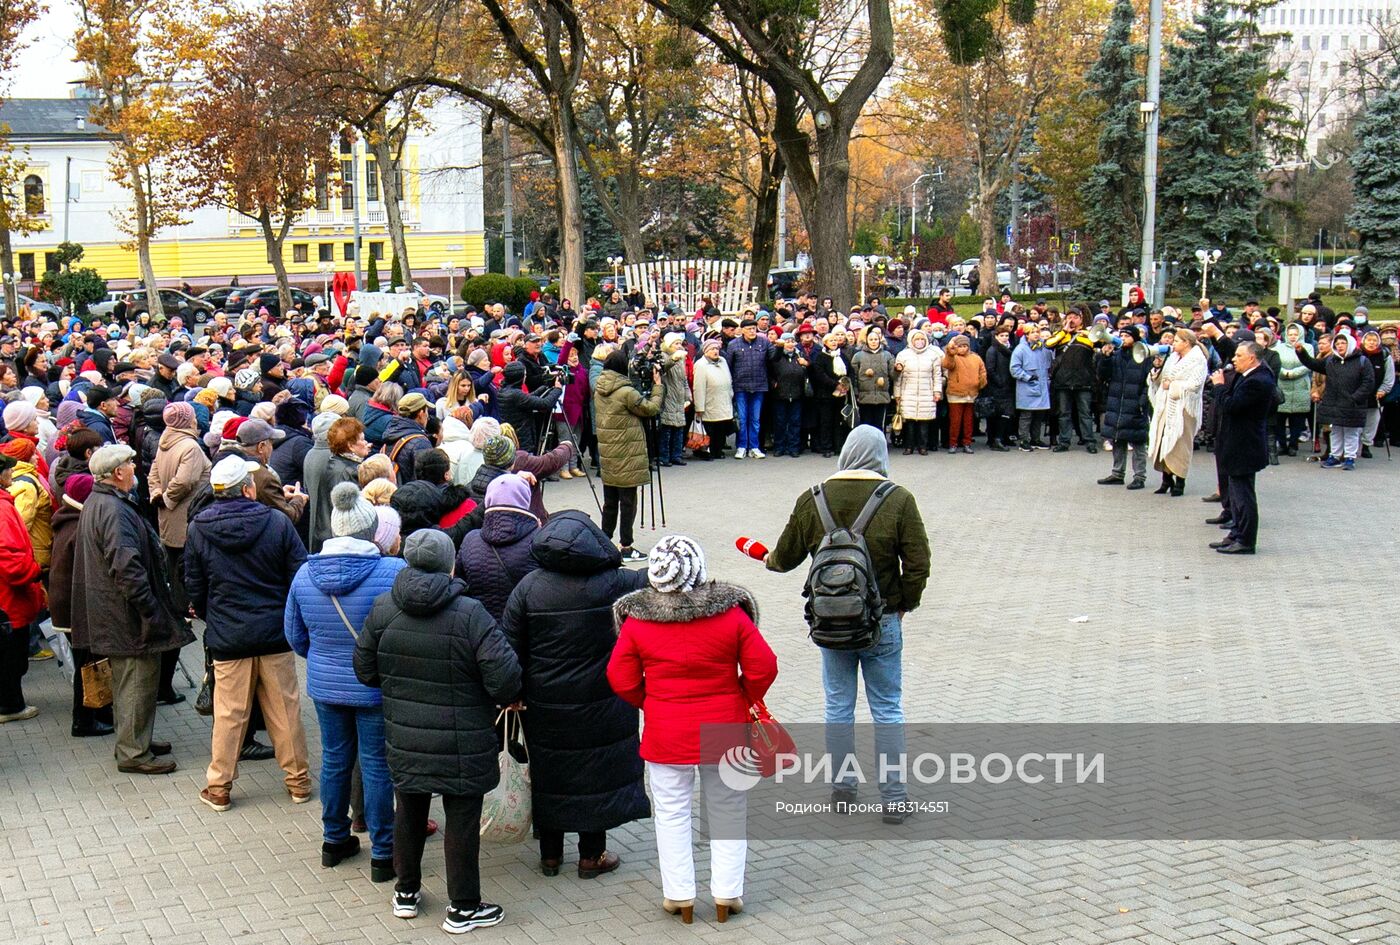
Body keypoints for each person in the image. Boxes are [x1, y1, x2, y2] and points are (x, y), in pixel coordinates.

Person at [354, 529, 521, 934]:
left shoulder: (383, 609)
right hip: (463, 742)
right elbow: (506, 681)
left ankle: (406, 892)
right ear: (450, 564)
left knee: (408, 812)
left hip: (405, 737)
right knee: (461, 820)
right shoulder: (470, 614)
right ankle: (463, 907)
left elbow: (364, 671)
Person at [609, 536, 777, 924]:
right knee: (728, 810)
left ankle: (680, 896)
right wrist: (741, 696)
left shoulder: (637, 623)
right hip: (725, 726)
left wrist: (648, 701)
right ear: (699, 570)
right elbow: (764, 666)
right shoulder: (731, 615)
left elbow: (619, 676)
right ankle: (727, 895)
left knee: (671, 812)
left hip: (666, 730)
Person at [765, 425, 930, 820]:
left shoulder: (813, 498)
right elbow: (919, 562)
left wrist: (764, 557)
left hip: (830, 621)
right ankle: (894, 798)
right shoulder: (899, 499)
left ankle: (843, 787)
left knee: (838, 705)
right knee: (887, 708)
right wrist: (905, 604)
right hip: (883, 618)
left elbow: (783, 559)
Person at [500, 510, 650, 878]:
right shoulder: (614, 582)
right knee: (593, 774)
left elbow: (509, 645)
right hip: (603, 701)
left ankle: (550, 856)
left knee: (549, 774)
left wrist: (512, 693)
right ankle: (591, 856)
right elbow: (653, 579)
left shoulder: (529, 587)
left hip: (545, 703)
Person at [285, 481, 406, 883]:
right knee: (375, 765)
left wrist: (323, 659)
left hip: (325, 684)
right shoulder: (393, 572)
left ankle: (333, 841)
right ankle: (383, 854)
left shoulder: (305, 574)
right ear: (371, 531)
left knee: (335, 760)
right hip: (375, 687)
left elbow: (295, 636)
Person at [184, 455, 310, 811]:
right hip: (273, 631)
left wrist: (215, 617)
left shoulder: (198, 528)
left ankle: (219, 787)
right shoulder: (277, 523)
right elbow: (298, 574)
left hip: (228, 635)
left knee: (228, 714)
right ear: (248, 488)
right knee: (285, 710)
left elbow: (195, 585)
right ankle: (299, 782)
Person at [72, 444, 191, 774]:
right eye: (130, 463)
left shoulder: (104, 502)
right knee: (136, 682)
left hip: (117, 611)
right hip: (126, 614)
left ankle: (134, 740)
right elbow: (127, 568)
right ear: (117, 473)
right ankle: (133, 753)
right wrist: (150, 610)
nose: (136, 467)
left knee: (133, 682)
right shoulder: (113, 510)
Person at [592, 350, 663, 561]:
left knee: (610, 502)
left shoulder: (599, 389)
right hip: (627, 454)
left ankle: (605, 541)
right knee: (628, 502)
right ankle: (626, 546)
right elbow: (650, 409)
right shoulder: (626, 392)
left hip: (608, 453)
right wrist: (658, 386)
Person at [1208, 343, 1274, 554]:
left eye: (1238, 355)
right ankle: (1236, 533)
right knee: (1235, 494)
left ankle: (1246, 540)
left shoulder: (1258, 380)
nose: (1234, 359)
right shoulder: (1246, 374)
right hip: (1234, 442)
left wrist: (1219, 386)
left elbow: (1231, 406)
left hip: (1245, 445)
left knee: (1243, 495)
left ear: (1252, 358)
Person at [148, 401, 211, 619]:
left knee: (174, 561)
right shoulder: (190, 447)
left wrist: (157, 494)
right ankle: (186, 606)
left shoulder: (166, 441)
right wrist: (167, 498)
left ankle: (178, 603)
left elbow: (153, 475)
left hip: (167, 516)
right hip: (186, 515)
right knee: (187, 564)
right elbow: (185, 481)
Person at [455, 473, 540, 622]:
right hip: (524, 627)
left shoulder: (470, 540)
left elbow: (459, 583)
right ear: (525, 499)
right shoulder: (539, 540)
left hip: (481, 628)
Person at [0, 451, 44, 724]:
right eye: (7, 470)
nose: (11, 474)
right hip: (8, 598)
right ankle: (10, 705)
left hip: (7, 597)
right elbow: (7, 556)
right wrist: (33, 571)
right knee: (11, 655)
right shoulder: (2, 508)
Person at [1296, 330, 1375, 470]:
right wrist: (1301, 353)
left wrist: (1355, 398)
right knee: (1336, 431)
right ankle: (1335, 456)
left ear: (1350, 344)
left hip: (1352, 404)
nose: (1340, 346)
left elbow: (1368, 383)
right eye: (1337, 343)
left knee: (1351, 432)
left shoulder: (1362, 361)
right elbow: (1313, 364)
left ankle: (1350, 457)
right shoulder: (1330, 360)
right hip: (1334, 403)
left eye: (1343, 343)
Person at [1146, 329, 1208, 496]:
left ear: (1186, 342)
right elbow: (1161, 379)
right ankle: (1166, 480)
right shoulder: (1172, 357)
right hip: (1166, 404)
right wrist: (1157, 370)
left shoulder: (1198, 360)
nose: (1173, 344)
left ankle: (1180, 481)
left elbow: (1195, 384)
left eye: (1176, 341)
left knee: (1180, 443)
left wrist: (1172, 386)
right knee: (1162, 439)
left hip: (1185, 407)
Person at [1095, 327, 1154, 489]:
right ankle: (1117, 473)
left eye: (1126, 335)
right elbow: (1102, 376)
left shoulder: (1144, 356)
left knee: (1138, 442)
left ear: (1135, 339)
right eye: (1121, 335)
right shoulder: (1116, 355)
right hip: (1117, 404)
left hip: (1135, 405)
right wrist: (1105, 357)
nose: (1122, 338)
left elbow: (1148, 382)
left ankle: (1139, 476)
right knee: (1117, 439)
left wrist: (1142, 402)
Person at [308, 416, 369, 552]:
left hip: (325, 536)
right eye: (362, 439)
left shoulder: (333, 463)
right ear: (350, 446)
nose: (366, 443)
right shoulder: (350, 472)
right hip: (341, 542)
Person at [724, 319, 776, 458]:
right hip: (740, 386)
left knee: (755, 418)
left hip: (759, 385)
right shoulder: (733, 344)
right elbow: (729, 365)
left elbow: (773, 358)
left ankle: (754, 446)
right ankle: (742, 446)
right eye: (749, 329)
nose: (752, 331)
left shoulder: (764, 342)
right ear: (742, 330)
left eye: (754, 328)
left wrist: (780, 346)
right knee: (742, 418)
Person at [892, 328, 942, 456]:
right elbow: (898, 378)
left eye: (922, 339)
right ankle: (909, 446)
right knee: (909, 422)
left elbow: (937, 375)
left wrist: (937, 391)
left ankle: (923, 446)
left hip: (927, 392)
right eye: (917, 339)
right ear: (911, 341)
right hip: (908, 392)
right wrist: (897, 394)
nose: (919, 342)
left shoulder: (933, 355)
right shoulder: (903, 355)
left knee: (924, 422)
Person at [939, 333, 986, 455]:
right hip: (956, 394)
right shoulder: (953, 357)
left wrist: (980, 382)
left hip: (971, 393)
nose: (963, 348)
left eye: (965, 346)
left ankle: (967, 442)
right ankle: (953, 443)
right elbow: (946, 364)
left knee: (968, 421)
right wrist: (950, 352)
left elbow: (982, 371)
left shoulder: (976, 358)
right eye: (960, 346)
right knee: (955, 421)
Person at [1010, 324, 1052, 450]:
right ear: (1026, 334)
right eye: (1032, 332)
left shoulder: (1043, 348)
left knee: (1039, 415)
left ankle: (1035, 439)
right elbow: (1014, 368)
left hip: (1042, 386)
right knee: (1026, 415)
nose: (1036, 334)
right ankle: (1024, 440)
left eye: (1037, 331)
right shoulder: (1020, 349)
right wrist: (1028, 377)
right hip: (1027, 387)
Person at [1273, 323, 1313, 457]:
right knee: (1280, 418)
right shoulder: (1279, 348)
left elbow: (1308, 364)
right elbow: (1276, 365)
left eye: (1295, 334)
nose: (1292, 337)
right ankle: (1282, 444)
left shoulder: (1308, 347)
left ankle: (1293, 445)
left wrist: (1293, 373)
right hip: (1282, 385)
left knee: (1297, 419)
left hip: (1300, 386)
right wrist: (1285, 373)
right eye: (1290, 334)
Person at [691, 339, 734, 461]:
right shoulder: (700, 365)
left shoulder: (723, 361)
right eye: (712, 349)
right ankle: (707, 450)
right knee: (710, 428)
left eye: (716, 349)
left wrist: (731, 394)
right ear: (705, 351)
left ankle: (718, 450)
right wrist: (699, 406)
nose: (715, 351)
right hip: (710, 402)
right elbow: (698, 387)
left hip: (724, 400)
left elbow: (729, 379)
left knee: (721, 427)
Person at [850, 326, 895, 432]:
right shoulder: (858, 356)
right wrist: (856, 392)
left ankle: (880, 446)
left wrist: (897, 370)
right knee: (866, 424)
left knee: (879, 425)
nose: (873, 342)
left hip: (881, 396)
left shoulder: (887, 355)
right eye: (871, 339)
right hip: (864, 396)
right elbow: (854, 376)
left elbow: (893, 375)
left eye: (876, 339)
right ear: (866, 340)